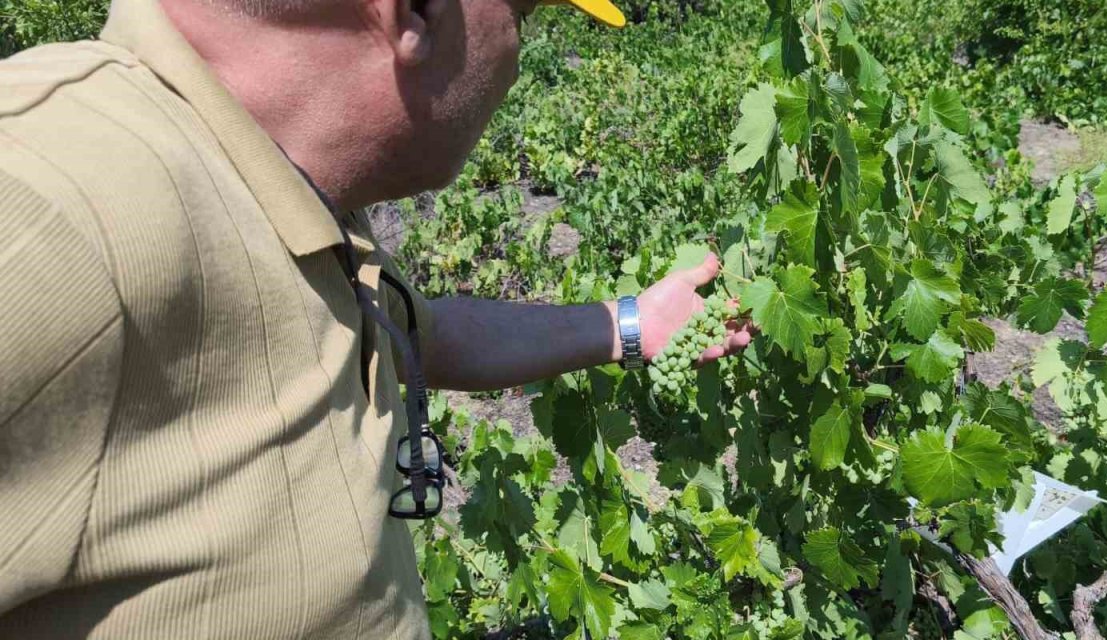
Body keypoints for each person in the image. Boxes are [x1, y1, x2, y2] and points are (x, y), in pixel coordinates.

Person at [0, 0, 752, 637]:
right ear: (413, 11)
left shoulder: (268, 182)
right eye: (521, 15)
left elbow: (416, 332)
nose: (519, 58)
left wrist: (629, 323)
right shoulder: (54, 207)